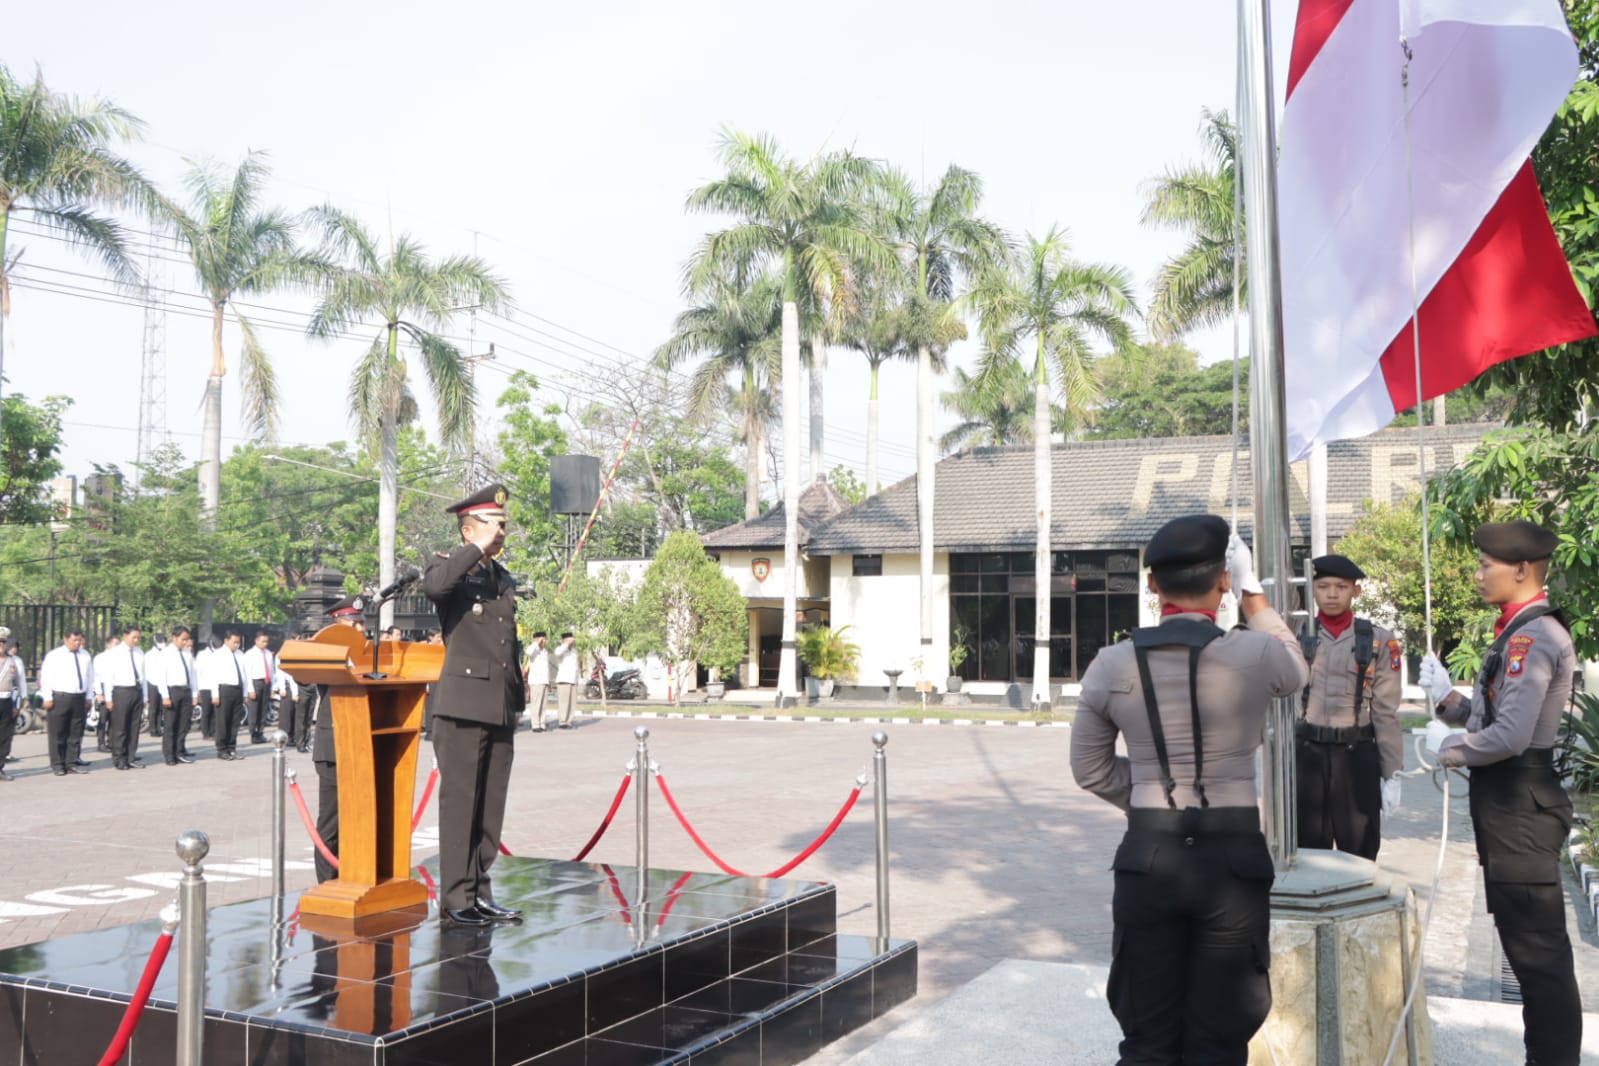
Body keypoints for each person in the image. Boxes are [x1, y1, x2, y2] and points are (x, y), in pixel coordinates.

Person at [1071, 515, 1308, 1064]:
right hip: (1232, 860)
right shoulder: (1255, 654)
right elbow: (1297, 668)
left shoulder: (1111, 664)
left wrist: (1154, 790)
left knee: (1147, 1036)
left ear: (1151, 585)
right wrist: (1253, 592)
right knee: (1220, 1039)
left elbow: (1091, 770)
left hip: (1149, 857)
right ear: (1222, 580)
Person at [1419, 519, 1581, 1066]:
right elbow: (1496, 717)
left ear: (1521, 569)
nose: (1479, 572)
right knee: (1526, 948)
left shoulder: (1533, 636)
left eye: (1487, 565)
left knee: (1538, 957)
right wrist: (1447, 703)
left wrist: (1450, 748)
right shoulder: (1517, 630)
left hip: (1520, 807)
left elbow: (1511, 737)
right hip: (1512, 807)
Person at [423, 482, 526, 926]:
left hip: (498, 703)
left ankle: (480, 891)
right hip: (462, 705)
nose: (501, 530)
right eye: (492, 523)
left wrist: (516, 698)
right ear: (468, 531)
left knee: (489, 805)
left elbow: (507, 645)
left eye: (504, 523)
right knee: (461, 804)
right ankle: (456, 898)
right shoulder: (450, 568)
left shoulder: (500, 577)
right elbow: (436, 589)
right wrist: (474, 550)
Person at [1295, 554, 1403, 860]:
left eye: (1341, 587)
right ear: (1312, 590)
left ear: (1355, 591)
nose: (1331, 594)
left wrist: (1392, 773)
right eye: (1323, 586)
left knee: (1360, 852)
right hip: (1307, 755)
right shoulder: (1295, 636)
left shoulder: (1377, 640)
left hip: (1356, 757)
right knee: (1306, 852)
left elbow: (1385, 710)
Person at [312, 595, 365, 882]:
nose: (359, 629)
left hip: (363, 746)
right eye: (352, 623)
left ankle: (353, 877)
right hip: (333, 747)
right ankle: (326, 884)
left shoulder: (370, 652)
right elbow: (301, 676)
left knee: (357, 822)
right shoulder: (325, 651)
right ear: (336, 623)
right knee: (331, 826)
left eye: (361, 623)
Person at [39, 629, 95, 776]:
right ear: (66, 640)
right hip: (60, 697)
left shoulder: (85, 655)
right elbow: (46, 677)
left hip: (79, 697)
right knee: (58, 732)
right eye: (74, 640)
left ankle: (72, 762)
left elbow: (90, 677)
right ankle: (57, 763)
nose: (77, 643)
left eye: (79, 640)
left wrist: (89, 696)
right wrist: (48, 698)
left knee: (76, 732)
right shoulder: (54, 656)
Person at [102, 624, 147, 771]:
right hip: (121, 691)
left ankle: (131, 757)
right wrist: (108, 698)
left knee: (134, 727)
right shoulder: (115, 653)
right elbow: (108, 677)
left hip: (136, 691)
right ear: (125, 636)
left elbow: (143, 676)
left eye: (138, 637)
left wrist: (145, 696)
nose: (136, 640)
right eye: (133, 637)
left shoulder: (139, 652)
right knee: (120, 727)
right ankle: (119, 758)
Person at [151, 626, 198, 766]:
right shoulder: (165, 654)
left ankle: (180, 751)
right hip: (172, 691)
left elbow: (193, 675)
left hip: (186, 690)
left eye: (187, 639)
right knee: (171, 724)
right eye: (183, 639)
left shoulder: (188, 653)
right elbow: (161, 677)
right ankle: (169, 754)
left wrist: (195, 693)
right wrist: (165, 696)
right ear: (174, 637)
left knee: (184, 724)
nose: (185, 642)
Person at [206, 630, 248, 761]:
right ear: (226, 640)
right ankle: (222, 749)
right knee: (223, 721)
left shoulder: (240, 654)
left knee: (235, 721)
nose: (236, 645)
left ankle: (232, 748)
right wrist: (215, 694)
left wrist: (245, 692)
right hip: (224, 689)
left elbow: (245, 675)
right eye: (234, 642)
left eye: (238, 642)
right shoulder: (218, 655)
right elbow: (212, 675)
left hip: (238, 689)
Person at [243, 631, 277, 745]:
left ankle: (260, 732)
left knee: (263, 709)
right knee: (254, 710)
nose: (265, 643)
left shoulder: (268, 653)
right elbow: (247, 672)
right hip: (255, 682)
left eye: (266, 641)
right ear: (256, 641)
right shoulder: (250, 654)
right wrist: (250, 689)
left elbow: (271, 670)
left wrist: (273, 686)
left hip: (266, 682)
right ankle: (253, 734)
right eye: (263, 641)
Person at [0, 634, 26, 781]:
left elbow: (20, 681)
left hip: (6, 700)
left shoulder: (13, 661)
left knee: (4, 736)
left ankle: (0, 767)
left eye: (3, 642)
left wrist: (24, 698)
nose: (1, 644)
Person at [91, 634, 120, 754]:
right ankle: (101, 742)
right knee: (104, 717)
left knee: (116, 718)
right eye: (115, 644)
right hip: (103, 687)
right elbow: (96, 676)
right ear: (108, 644)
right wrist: (99, 693)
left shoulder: (121, 657)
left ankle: (112, 742)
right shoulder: (100, 658)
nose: (118, 647)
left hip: (117, 688)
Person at [194, 635, 219, 739]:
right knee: (207, 710)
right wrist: (198, 689)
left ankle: (213, 731)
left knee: (215, 711)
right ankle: (205, 732)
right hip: (205, 686)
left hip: (216, 687)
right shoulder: (202, 654)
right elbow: (198, 672)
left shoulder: (219, 653)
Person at [526, 632, 551, 732]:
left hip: (544, 680)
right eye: (542, 639)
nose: (544, 641)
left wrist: (548, 682)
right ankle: (535, 724)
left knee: (543, 704)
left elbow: (546, 668)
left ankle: (542, 723)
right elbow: (528, 652)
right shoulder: (533, 649)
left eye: (544, 639)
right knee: (536, 704)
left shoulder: (544, 651)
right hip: (536, 681)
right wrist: (537, 642)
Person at [553, 632, 578, 729]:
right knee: (564, 702)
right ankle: (562, 721)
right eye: (570, 639)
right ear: (565, 640)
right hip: (564, 680)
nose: (572, 641)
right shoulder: (561, 649)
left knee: (572, 703)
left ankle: (569, 721)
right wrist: (566, 644)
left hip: (573, 680)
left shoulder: (574, 651)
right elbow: (557, 653)